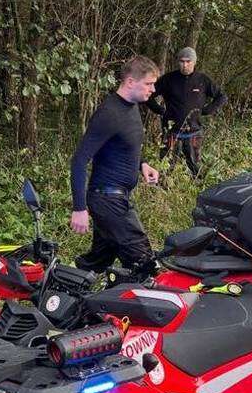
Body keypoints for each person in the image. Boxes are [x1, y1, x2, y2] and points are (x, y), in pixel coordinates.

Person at [70, 55, 162, 272]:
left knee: (97, 261)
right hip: (108, 200)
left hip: (115, 197)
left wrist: (143, 164)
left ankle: (65, 290)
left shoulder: (132, 107)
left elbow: (123, 145)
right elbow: (79, 161)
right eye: (149, 84)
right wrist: (79, 208)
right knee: (143, 262)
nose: (153, 90)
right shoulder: (109, 114)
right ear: (130, 82)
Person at [146, 47, 227, 178]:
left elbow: (222, 96)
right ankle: (164, 190)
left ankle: (197, 189)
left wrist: (208, 110)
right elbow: (148, 94)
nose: (185, 65)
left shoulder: (203, 80)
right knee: (166, 166)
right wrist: (160, 110)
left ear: (194, 62)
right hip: (172, 131)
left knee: (195, 167)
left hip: (194, 131)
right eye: (182, 61)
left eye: (188, 61)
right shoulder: (168, 79)